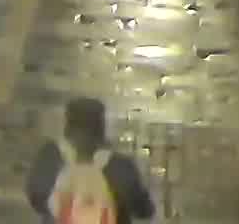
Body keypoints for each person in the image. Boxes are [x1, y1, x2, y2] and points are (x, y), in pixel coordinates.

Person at [23, 95, 156, 222]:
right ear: (102, 127)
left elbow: (35, 198)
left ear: (67, 125)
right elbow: (144, 210)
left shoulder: (49, 157)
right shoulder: (120, 166)